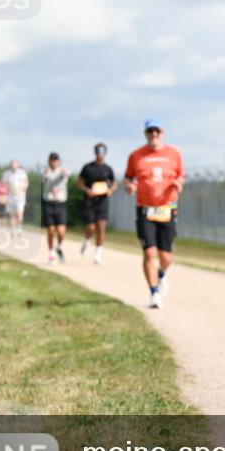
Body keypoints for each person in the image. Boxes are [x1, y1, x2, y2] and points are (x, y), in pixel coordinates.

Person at [124, 118, 184, 309]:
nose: (154, 135)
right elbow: (128, 177)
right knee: (149, 252)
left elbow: (181, 174)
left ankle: (161, 275)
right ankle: (154, 293)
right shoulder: (136, 155)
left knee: (166, 257)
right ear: (145, 133)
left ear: (162, 133)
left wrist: (178, 183)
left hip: (167, 208)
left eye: (157, 131)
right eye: (150, 132)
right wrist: (129, 185)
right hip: (145, 209)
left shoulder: (174, 153)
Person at [77, 143, 118, 264]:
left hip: (103, 201)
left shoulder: (108, 169)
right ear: (95, 153)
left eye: (102, 152)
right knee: (91, 227)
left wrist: (111, 190)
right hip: (90, 200)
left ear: (105, 153)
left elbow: (114, 183)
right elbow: (79, 182)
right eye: (98, 152)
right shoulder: (87, 168)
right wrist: (86, 190)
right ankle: (86, 240)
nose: (100, 154)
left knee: (101, 227)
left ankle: (98, 254)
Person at [41, 152, 70, 264]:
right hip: (49, 202)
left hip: (60, 203)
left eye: (56, 160)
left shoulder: (63, 171)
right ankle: (51, 253)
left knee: (61, 231)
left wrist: (63, 173)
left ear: (59, 161)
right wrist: (47, 175)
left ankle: (59, 246)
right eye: (52, 160)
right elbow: (46, 181)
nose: (54, 162)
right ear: (49, 161)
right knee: (51, 230)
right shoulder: (45, 172)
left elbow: (65, 175)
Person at [2, 159, 30, 234]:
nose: (14, 166)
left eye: (15, 165)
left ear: (18, 165)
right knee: (12, 213)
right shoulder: (6, 173)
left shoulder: (22, 172)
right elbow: (3, 184)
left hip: (20, 195)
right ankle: (13, 228)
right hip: (11, 195)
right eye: (12, 165)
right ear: (10, 166)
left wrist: (24, 189)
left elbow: (26, 182)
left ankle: (19, 227)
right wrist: (7, 189)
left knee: (19, 212)